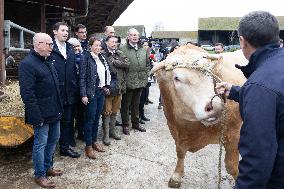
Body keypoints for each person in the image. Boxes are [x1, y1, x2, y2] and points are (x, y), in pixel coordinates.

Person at [216, 11, 284, 188]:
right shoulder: (276, 67)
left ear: (242, 41)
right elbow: (277, 98)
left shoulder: (259, 85)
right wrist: (236, 91)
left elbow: (258, 158)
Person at [19, 33, 63, 188]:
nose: (52, 47)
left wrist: (59, 108)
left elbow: (55, 86)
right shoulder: (27, 64)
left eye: (52, 44)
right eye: (49, 44)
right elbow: (27, 94)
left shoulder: (47, 60)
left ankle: (48, 167)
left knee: (53, 140)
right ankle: (40, 174)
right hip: (41, 115)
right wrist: (36, 117)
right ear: (38, 44)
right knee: (41, 144)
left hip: (54, 111)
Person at [80, 36, 113, 159]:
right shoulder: (85, 58)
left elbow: (105, 74)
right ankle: (88, 146)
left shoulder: (102, 58)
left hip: (100, 92)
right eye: (96, 45)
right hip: (91, 93)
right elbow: (82, 78)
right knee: (89, 120)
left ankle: (94, 142)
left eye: (100, 46)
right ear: (90, 46)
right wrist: (83, 94)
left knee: (96, 119)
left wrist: (106, 86)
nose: (98, 48)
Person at [52, 22, 81, 158]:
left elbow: (74, 68)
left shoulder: (70, 48)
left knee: (68, 121)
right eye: (62, 30)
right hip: (55, 93)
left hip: (69, 92)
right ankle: (50, 150)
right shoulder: (50, 48)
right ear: (55, 32)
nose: (65, 33)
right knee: (53, 123)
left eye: (67, 31)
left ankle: (64, 147)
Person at [120, 28, 150, 135]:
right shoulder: (122, 49)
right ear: (128, 37)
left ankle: (135, 123)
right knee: (125, 104)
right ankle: (125, 125)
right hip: (128, 82)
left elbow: (148, 64)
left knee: (136, 104)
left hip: (140, 80)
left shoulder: (143, 49)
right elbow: (120, 67)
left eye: (136, 35)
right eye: (132, 35)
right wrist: (123, 80)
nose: (135, 37)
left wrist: (146, 75)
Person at [102, 35, 129, 145]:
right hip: (109, 88)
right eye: (112, 42)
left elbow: (127, 64)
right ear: (107, 42)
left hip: (119, 87)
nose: (114, 44)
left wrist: (116, 63)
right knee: (106, 112)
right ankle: (106, 135)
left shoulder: (120, 53)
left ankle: (113, 132)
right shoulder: (103, 54)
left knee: (115, 111)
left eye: (116, 42)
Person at [67, 37, 85, 141]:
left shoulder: (83, 58)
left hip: (81, 91)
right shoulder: (67, 59)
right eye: (74, 47)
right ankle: (71, 136)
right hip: (71, 92)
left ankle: (80, 133)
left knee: (81, 114)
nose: (77, 48)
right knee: (71, 116)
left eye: (78, 46)